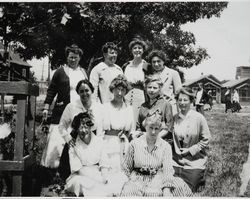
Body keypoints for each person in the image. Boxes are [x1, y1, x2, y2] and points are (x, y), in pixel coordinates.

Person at [121, 112, 193, 197]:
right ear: (145, 127)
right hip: (138, 179)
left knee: (179, 185)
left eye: (157, 128)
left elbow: (167, 170)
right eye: (150, 128)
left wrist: (166, 189)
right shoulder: (134, 144)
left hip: (157, 179)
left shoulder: (165, 146)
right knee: (129, 190)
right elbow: (126, 168)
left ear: (160, 129)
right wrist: (129, 182)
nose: (153, 132)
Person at [41, 44, 88, 169]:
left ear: (80, 58)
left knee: (77, 138)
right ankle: (52, 169)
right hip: (62, 109)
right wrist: (46, 107)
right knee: (58, 139)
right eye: (71, 57)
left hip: (79, 110)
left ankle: (73, 169)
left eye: (76, 57)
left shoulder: (83, 72)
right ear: (67, 57)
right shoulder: (60, 72)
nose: (73, 60)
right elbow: (51, 91)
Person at [97, 74, 134, 195]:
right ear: (112, 90)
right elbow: (99, 131)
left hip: (123, 143)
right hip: (107, 142)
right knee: (108, 171)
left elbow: (131, 130)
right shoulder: (105, 107)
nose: (119, 92)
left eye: (122, 90)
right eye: (117, 89)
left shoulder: (129, 108)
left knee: (122, 173)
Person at [173, 87, 211, 193]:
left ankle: (199, 177)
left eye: (185, 100)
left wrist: (190, 150)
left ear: (191, 101)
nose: (182, 103)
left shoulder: (199, 118)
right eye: (179, 100)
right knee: (168, 185)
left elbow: (206, 139)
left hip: (194, 163)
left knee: (185, 190)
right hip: (176, 162)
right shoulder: (174, 118)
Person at [64, 112, 110, 196]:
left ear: (90, 127)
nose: (84, 131)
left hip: (97, 172)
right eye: (81, 127)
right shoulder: (73, 145)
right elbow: (78, 169)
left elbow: (104, 164)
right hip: (81, 175)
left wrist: (104, 177)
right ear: (77, 129)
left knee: (109, 183)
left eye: (86, 127)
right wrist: (96, 179)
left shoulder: (99, 142)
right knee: (85, 185)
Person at [135, 75, 173, 141]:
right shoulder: (143, 106)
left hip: (161, 140)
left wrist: (153, 137)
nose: (151, 90)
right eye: (149, 87)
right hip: (144, 141)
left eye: (155, 88)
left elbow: (168, 127)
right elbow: (138, 127)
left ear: (159, 89)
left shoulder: (166, 104)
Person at [147, 50, 182, 115]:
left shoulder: (173, 73)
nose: (156, 64)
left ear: (163, 61)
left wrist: (179, 112)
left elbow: (179, 94)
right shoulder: (150, 75)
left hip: (170, 108)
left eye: (158, 61)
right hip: (154, 110)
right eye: (153, 62)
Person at [123, 39, 148, 123]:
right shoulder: (126, 66)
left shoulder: (146, 66)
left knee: (138, 119)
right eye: (135, 48)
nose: (137, 50)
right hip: (126, 95)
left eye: (140, 48)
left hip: (140, 95)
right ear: (131, 50)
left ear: (143, 50)